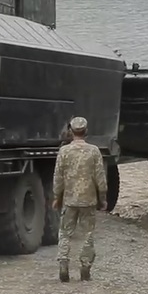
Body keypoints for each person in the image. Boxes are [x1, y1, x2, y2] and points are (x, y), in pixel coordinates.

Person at [51, 116, 108, 283]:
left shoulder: (64, 151)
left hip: (69, 200)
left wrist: (57, 196)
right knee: (87, 234)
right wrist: (102, 197)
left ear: (71, 131)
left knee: (65, 233)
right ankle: (85, 268)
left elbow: (58, 177)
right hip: (88, 200)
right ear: (86, 131)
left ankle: (63, 264)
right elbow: (100, 177)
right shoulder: (94, 151)